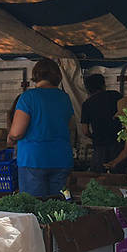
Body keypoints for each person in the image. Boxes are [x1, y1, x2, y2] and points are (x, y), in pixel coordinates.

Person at [7, 58, 74, 197]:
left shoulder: (28, 97)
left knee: (35, 207)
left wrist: (11, 138)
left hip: (33, 159)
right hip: (61, 159)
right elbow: (71, 129)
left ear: (36, 75)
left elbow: (17, 132)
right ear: (57, 76)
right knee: (57, 208)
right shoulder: (65, 98)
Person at [80, 74, 124, 173]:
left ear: (87, 89)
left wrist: (94, 137)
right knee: (119, 175)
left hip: (100, 147)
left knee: (99, 178)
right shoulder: (115, 95)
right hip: (118, 144)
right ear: (103, 85)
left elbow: (85, 131)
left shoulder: (87, 104)